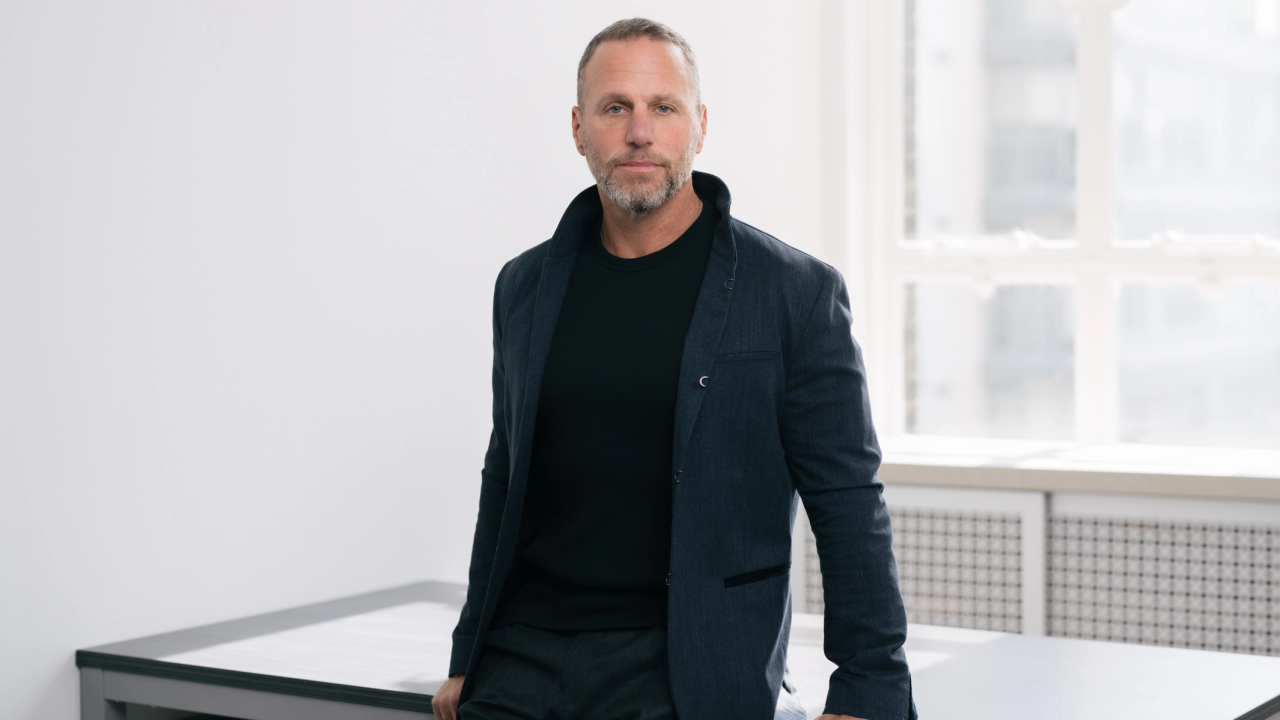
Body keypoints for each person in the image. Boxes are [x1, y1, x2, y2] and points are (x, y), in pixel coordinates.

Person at [432, 18, 914, 720]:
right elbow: (505, 473)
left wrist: (870, 687)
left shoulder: (793, 292)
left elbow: (847, 501)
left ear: (699, 125)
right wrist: (467, 651)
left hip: (684, 661)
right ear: (578, 128)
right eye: (614, 107)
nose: (639, 132)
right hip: (522, 656)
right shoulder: (525, 285)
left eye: (664, 107)